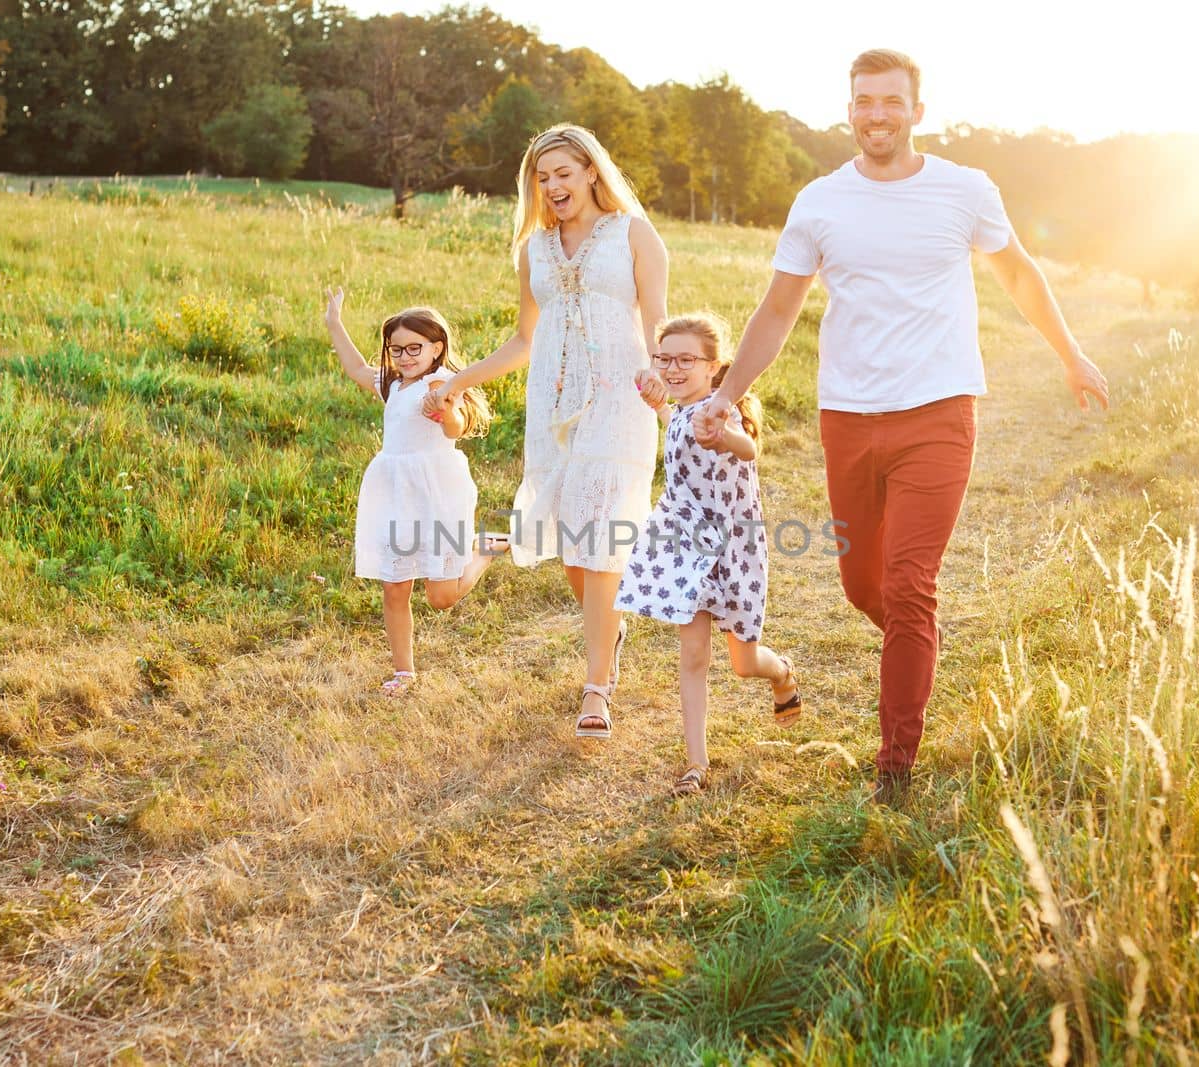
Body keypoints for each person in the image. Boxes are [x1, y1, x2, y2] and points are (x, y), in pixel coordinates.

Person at [693, 49, 1110, 805]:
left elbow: (1019, 272)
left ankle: (896, 765)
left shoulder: (964, 190)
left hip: (939, 412)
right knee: (863, 585)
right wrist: (730, 390)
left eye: (891, 101)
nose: (876, 114)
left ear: (918, 110)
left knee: (909, 583)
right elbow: (779, 307)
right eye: (863, 102)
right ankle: (914, 646)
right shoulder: (819, 202)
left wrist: (1072, 355)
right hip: (847, 416)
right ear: (848, 110)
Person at [424, 124, 669, 738]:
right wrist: (460, 380)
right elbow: (525, 340)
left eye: (564, 172)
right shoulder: (533, 248)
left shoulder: (635, 235)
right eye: (542, 176)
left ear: (592, 172)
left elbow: (659, 326)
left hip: (620, 401)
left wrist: (678, 396)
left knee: (602, 538)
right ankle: (609, 631)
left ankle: (595, 688)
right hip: (553, 409)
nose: (553, 185)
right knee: (571, 544)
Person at [620, 314, 800, 795]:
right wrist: (655, 402)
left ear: (713, 366)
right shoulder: (680, 411)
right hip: (685, 544)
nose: (673, 368)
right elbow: (673, 424)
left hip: (733, 547)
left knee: (744, 663)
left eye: (685, 360)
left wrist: (721, 433)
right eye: (665, 359)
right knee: (693, 653)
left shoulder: (723, 411)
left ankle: (781, 672)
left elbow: (747, 450)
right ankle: (695, 765)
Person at [328, 294, 506, 696]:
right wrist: (334, 322)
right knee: (395, 584)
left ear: (436, 348)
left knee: (441, 597)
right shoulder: (393, 384)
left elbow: (455, 428)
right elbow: (355, 367)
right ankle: (404, 671)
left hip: (436, 492)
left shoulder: (439, 383)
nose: (406, 357)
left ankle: (486, 548)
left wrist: (445, 410)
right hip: (393, 492)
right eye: (397, 350)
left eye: (415, 348)